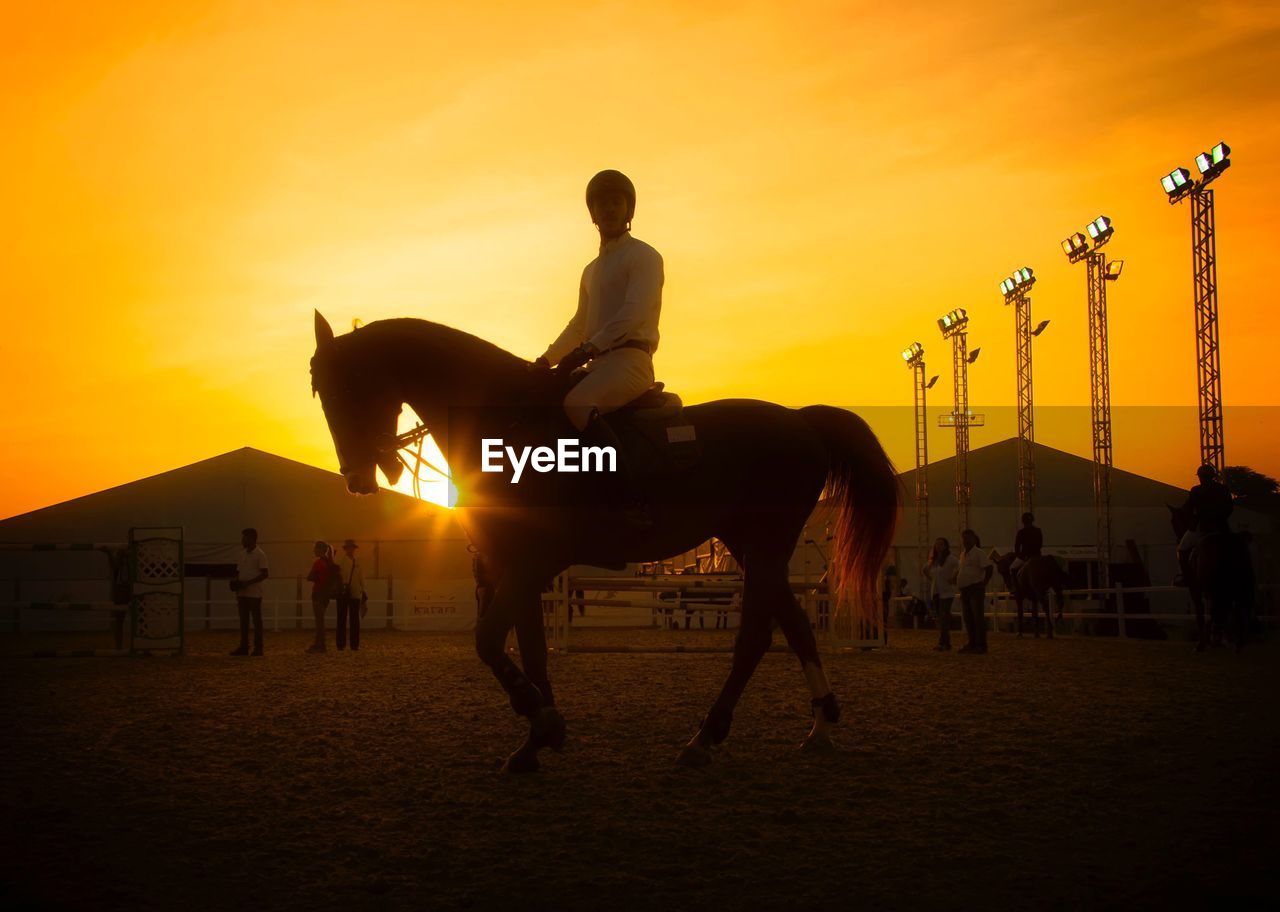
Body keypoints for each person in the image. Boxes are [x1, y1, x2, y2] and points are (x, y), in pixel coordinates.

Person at [529, 169, 664, 527]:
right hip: (598, 363)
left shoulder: (645, 256)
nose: (609, 208)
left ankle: (629, 497)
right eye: (602, 202)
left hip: (631, 361)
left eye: (616, 201)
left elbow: (633, 314)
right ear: (592, 213)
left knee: (577, 403)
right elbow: (578, 324)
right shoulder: (591, 270)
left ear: (628, 209)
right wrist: (546, 359)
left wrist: (590, 347)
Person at [1175, 464, 1234, 586]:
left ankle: (1186, 577)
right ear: (1213, 476)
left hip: (1202, 528)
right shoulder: (1223, 489)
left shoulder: (1196, 490)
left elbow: (1188, 509)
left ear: (1200, 477)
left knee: (1182, 549)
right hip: (1222, 528)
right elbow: (1229, 508)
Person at [230, 528, 268, 656]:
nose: (242, 540)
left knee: (257, 621)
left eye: (244, 538)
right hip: (242, 593)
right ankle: (244, 647)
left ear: (251, 538)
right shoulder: (242, 554)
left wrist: (248, 583)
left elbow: (265, 574)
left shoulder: (260, 554)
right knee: (244, 621)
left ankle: (258, 647)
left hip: (254, 593)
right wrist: (236, 581)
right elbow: (238, 572)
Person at [955, 529, 994, 654]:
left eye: (968, 538)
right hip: (965, 589)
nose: (965, 540)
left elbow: (989, 567)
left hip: (975, 588)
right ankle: (972, 642)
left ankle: (981, 645)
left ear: (973, 538)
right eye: (964, 538)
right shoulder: (963, 554)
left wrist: (984, 582)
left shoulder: (978, 553)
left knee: (977, 617)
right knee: (968, 617)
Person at [925, 537, 960, 651]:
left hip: (947, 592)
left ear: (946, 546)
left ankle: (944, 642)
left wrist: (954, 578)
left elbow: (959, 567)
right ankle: (943, 641)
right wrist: (932, 579)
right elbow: (925, 570)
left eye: (941, 544)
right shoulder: (934, 560)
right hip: (936, 592)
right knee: (940, 618)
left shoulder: (950, 559)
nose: (939, 547)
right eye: (937, 544)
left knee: (944, 616)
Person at [305, 541, 338, 653]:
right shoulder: (329, 562)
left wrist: (316, 578)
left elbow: (309, 576)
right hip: (326, 594)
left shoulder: (318, 563)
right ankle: (320, 644)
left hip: (318, 593)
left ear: (320, 550)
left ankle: (320, 645)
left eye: (315, 549)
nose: (314, 551)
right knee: (321, 620)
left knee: (319, 622)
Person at [336, 538, 367, 651]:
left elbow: (361, 577)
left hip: (355, 593)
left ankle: (354, 644)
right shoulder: (341, 562)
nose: (351, 549)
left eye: (352, 547)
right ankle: (341, 644)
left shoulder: (357, 562)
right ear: (346, 549)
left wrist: (363, 590)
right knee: (341, 619)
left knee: (354, 620)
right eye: (349, 547)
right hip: (344, 593)